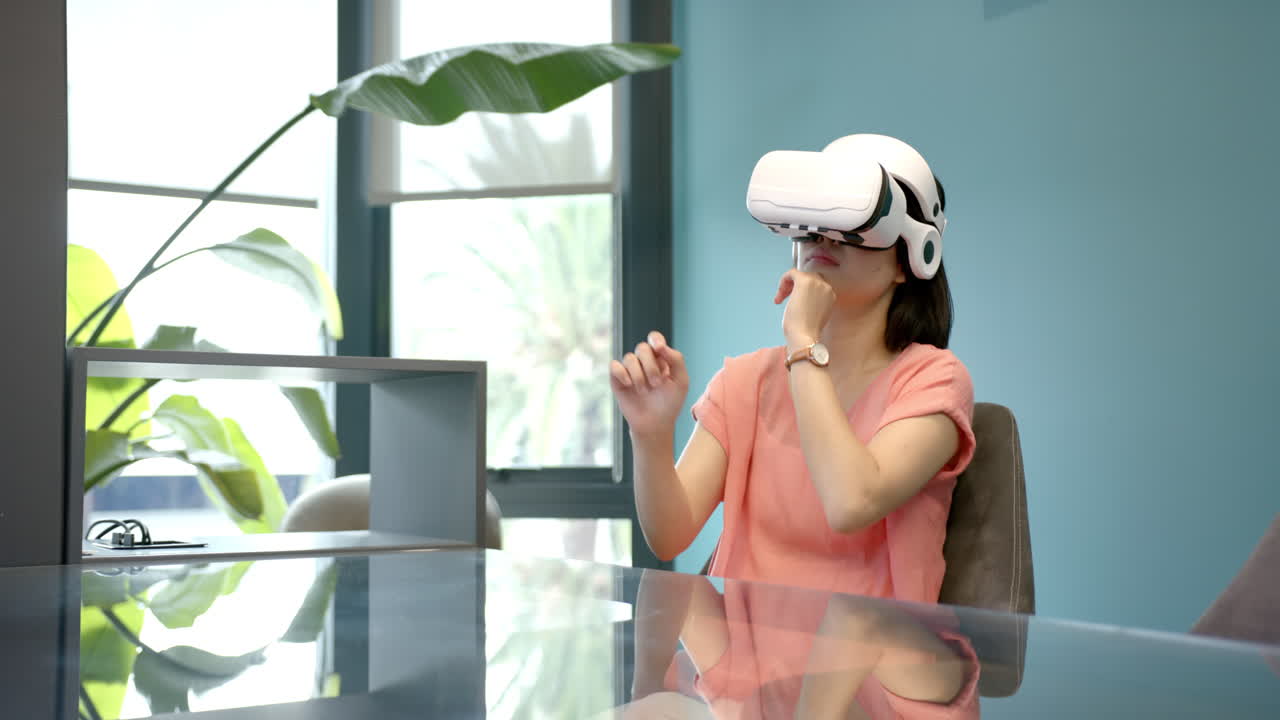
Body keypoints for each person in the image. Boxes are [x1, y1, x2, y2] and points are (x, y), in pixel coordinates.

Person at [608, 134, 979, 716]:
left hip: (881, 675)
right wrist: (651, 434)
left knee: (851, 629)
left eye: (850, 227)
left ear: (913, 260)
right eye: (811, 225)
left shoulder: (934, 380)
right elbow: (670, 537)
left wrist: (804, 344)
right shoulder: (746, 381)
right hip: (754, 673)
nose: (823, 239)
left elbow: (851, 502)